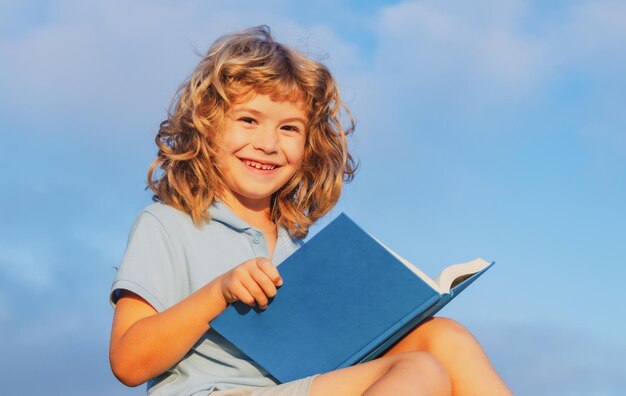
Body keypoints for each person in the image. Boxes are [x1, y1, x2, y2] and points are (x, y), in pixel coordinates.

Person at [109, 25, 511, 396]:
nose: (268, 143)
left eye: (288, 129)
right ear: (207, 127)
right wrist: (219, 291)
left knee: (444, 338)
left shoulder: (294, 247)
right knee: (420, 370)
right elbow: (129, 362)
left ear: (310, 146)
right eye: (249, 120)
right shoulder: (167, 225)